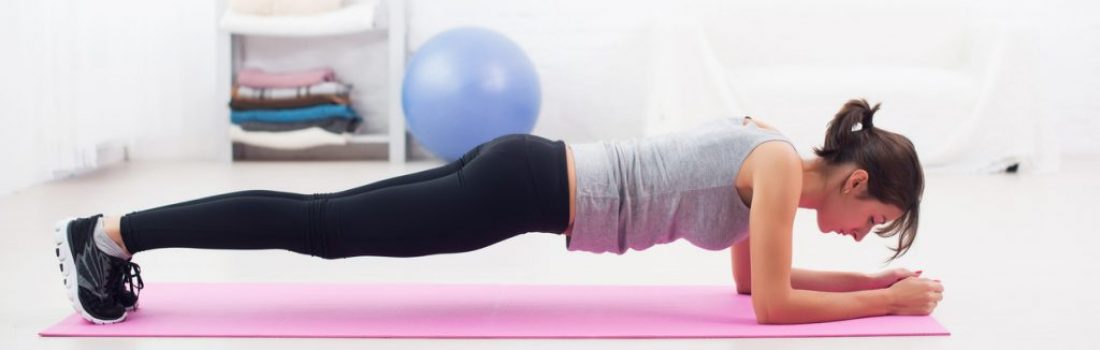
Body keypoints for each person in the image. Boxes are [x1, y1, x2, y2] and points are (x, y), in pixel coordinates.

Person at [54, 98, 943, 325]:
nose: (866, 240)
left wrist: (879, 287)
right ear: (858, 186)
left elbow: (760, 286)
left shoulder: (777, 159)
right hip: (520, 190)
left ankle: (115, 235)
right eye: (876, 226)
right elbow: (780, 307)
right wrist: (883, 302)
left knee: (322, 218)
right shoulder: (782, 168)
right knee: (321, 229)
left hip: (523, 174)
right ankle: (111, 235)